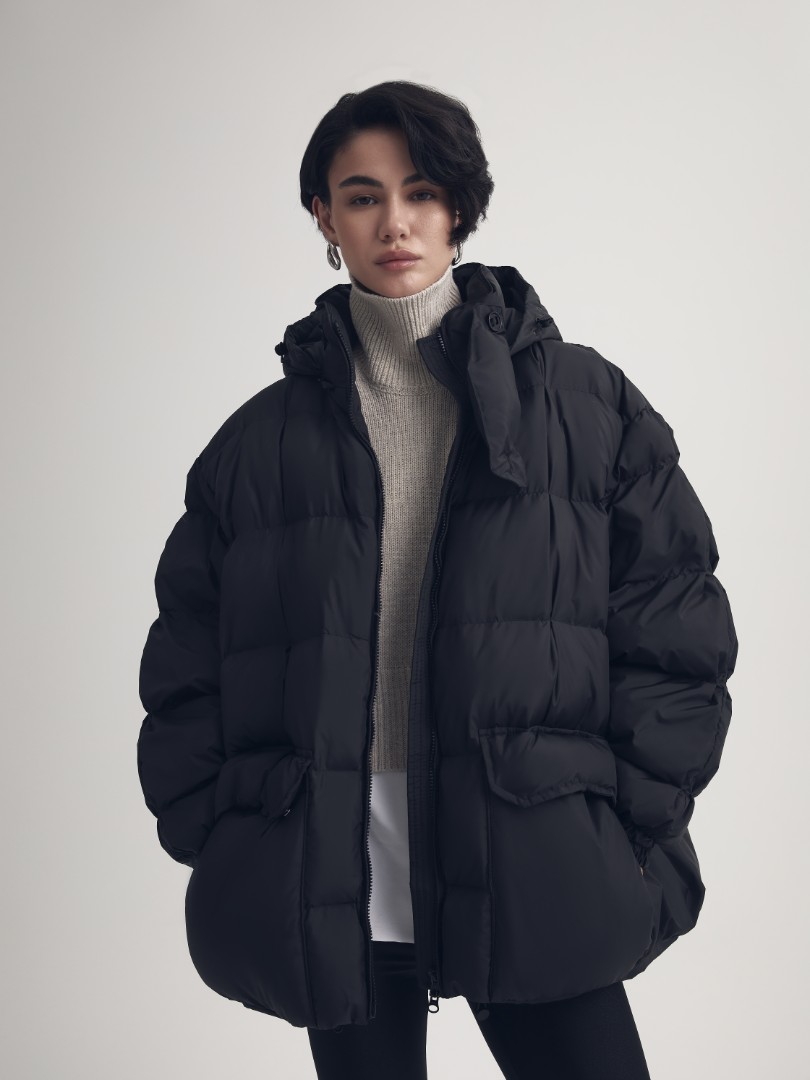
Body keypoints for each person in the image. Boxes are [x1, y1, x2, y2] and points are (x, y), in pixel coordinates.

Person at [137, 81, 738, 1080]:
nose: (395, 223)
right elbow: (186, 660)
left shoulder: (586, 406)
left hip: (534, 842)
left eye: (420, 192)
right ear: (323, 218)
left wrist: (623, 817)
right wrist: (228, 831)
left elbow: (677, 625)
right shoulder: (258, 445)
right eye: (362, 196)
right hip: (333, 862)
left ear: (459, 206)